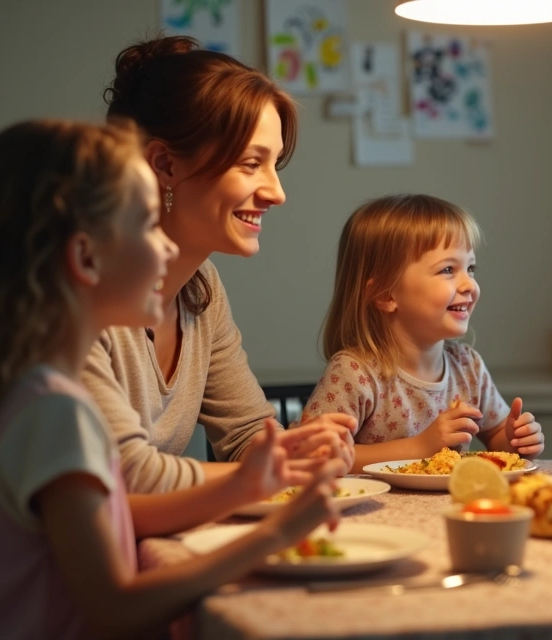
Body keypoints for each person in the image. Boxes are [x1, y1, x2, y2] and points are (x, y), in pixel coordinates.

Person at [0, 120, 344, 639]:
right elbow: (115, 609)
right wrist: (275, 535)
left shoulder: (24, 392)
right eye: (149, 225)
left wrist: (244, 486)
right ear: (86, 257)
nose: (168, 249)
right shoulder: (55, 412)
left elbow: (119, 514)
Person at [86, 35, 356, 492]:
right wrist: (271, 472)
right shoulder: (85, 290)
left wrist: (297, 451)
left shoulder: (201, 289)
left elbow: (248, 433)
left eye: (274, 165)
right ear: (164, 164)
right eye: (251, 164)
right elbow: (124, 479)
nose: (276, 193)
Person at [303, 194, 544, 471]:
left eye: (470, 268)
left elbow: (498, 434)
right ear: (385, 294)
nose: (469, 284)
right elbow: (313, 456)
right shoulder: (354, 373)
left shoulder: (468, 367)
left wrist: (515, 440)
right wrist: (420, 447)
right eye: (448, 269)